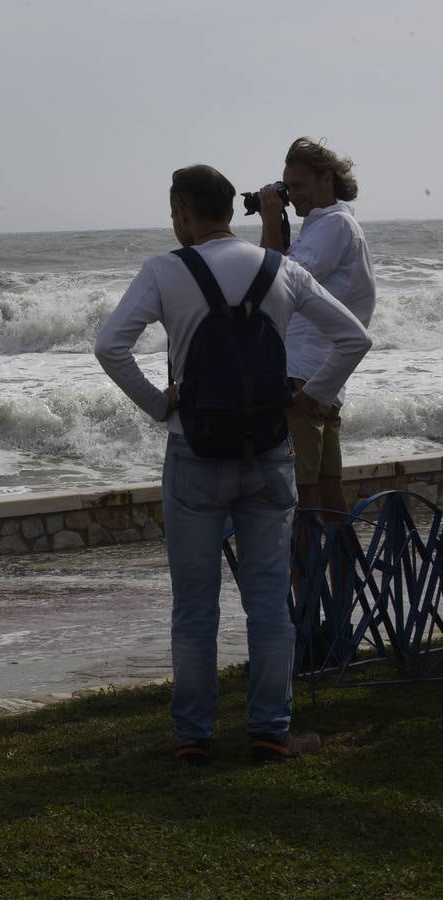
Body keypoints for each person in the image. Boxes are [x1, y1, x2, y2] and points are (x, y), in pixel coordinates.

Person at [94, 165, 371, 765]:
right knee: (269, 600)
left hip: (194, 450)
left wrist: (157, 404)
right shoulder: (281, 268)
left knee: (194, 603)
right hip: (270, 451)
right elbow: (354, 339)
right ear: (233, 211)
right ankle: (271, 731)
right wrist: (312, 395)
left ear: (185, 214)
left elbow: (110, 346)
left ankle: (193, 737)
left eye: (176, 213)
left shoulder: (166, 270)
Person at [259, 137, 376, 516]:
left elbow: (276, 281)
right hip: (322, 378)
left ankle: (304, 577)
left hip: (302, 376)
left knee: (301, 497)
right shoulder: (336, 225)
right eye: (287, 188)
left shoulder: (333, 225)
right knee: (328, 495)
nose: (292, 197)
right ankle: (338, 576)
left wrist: (270, 224)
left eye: (298, 186)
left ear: (326, 179)